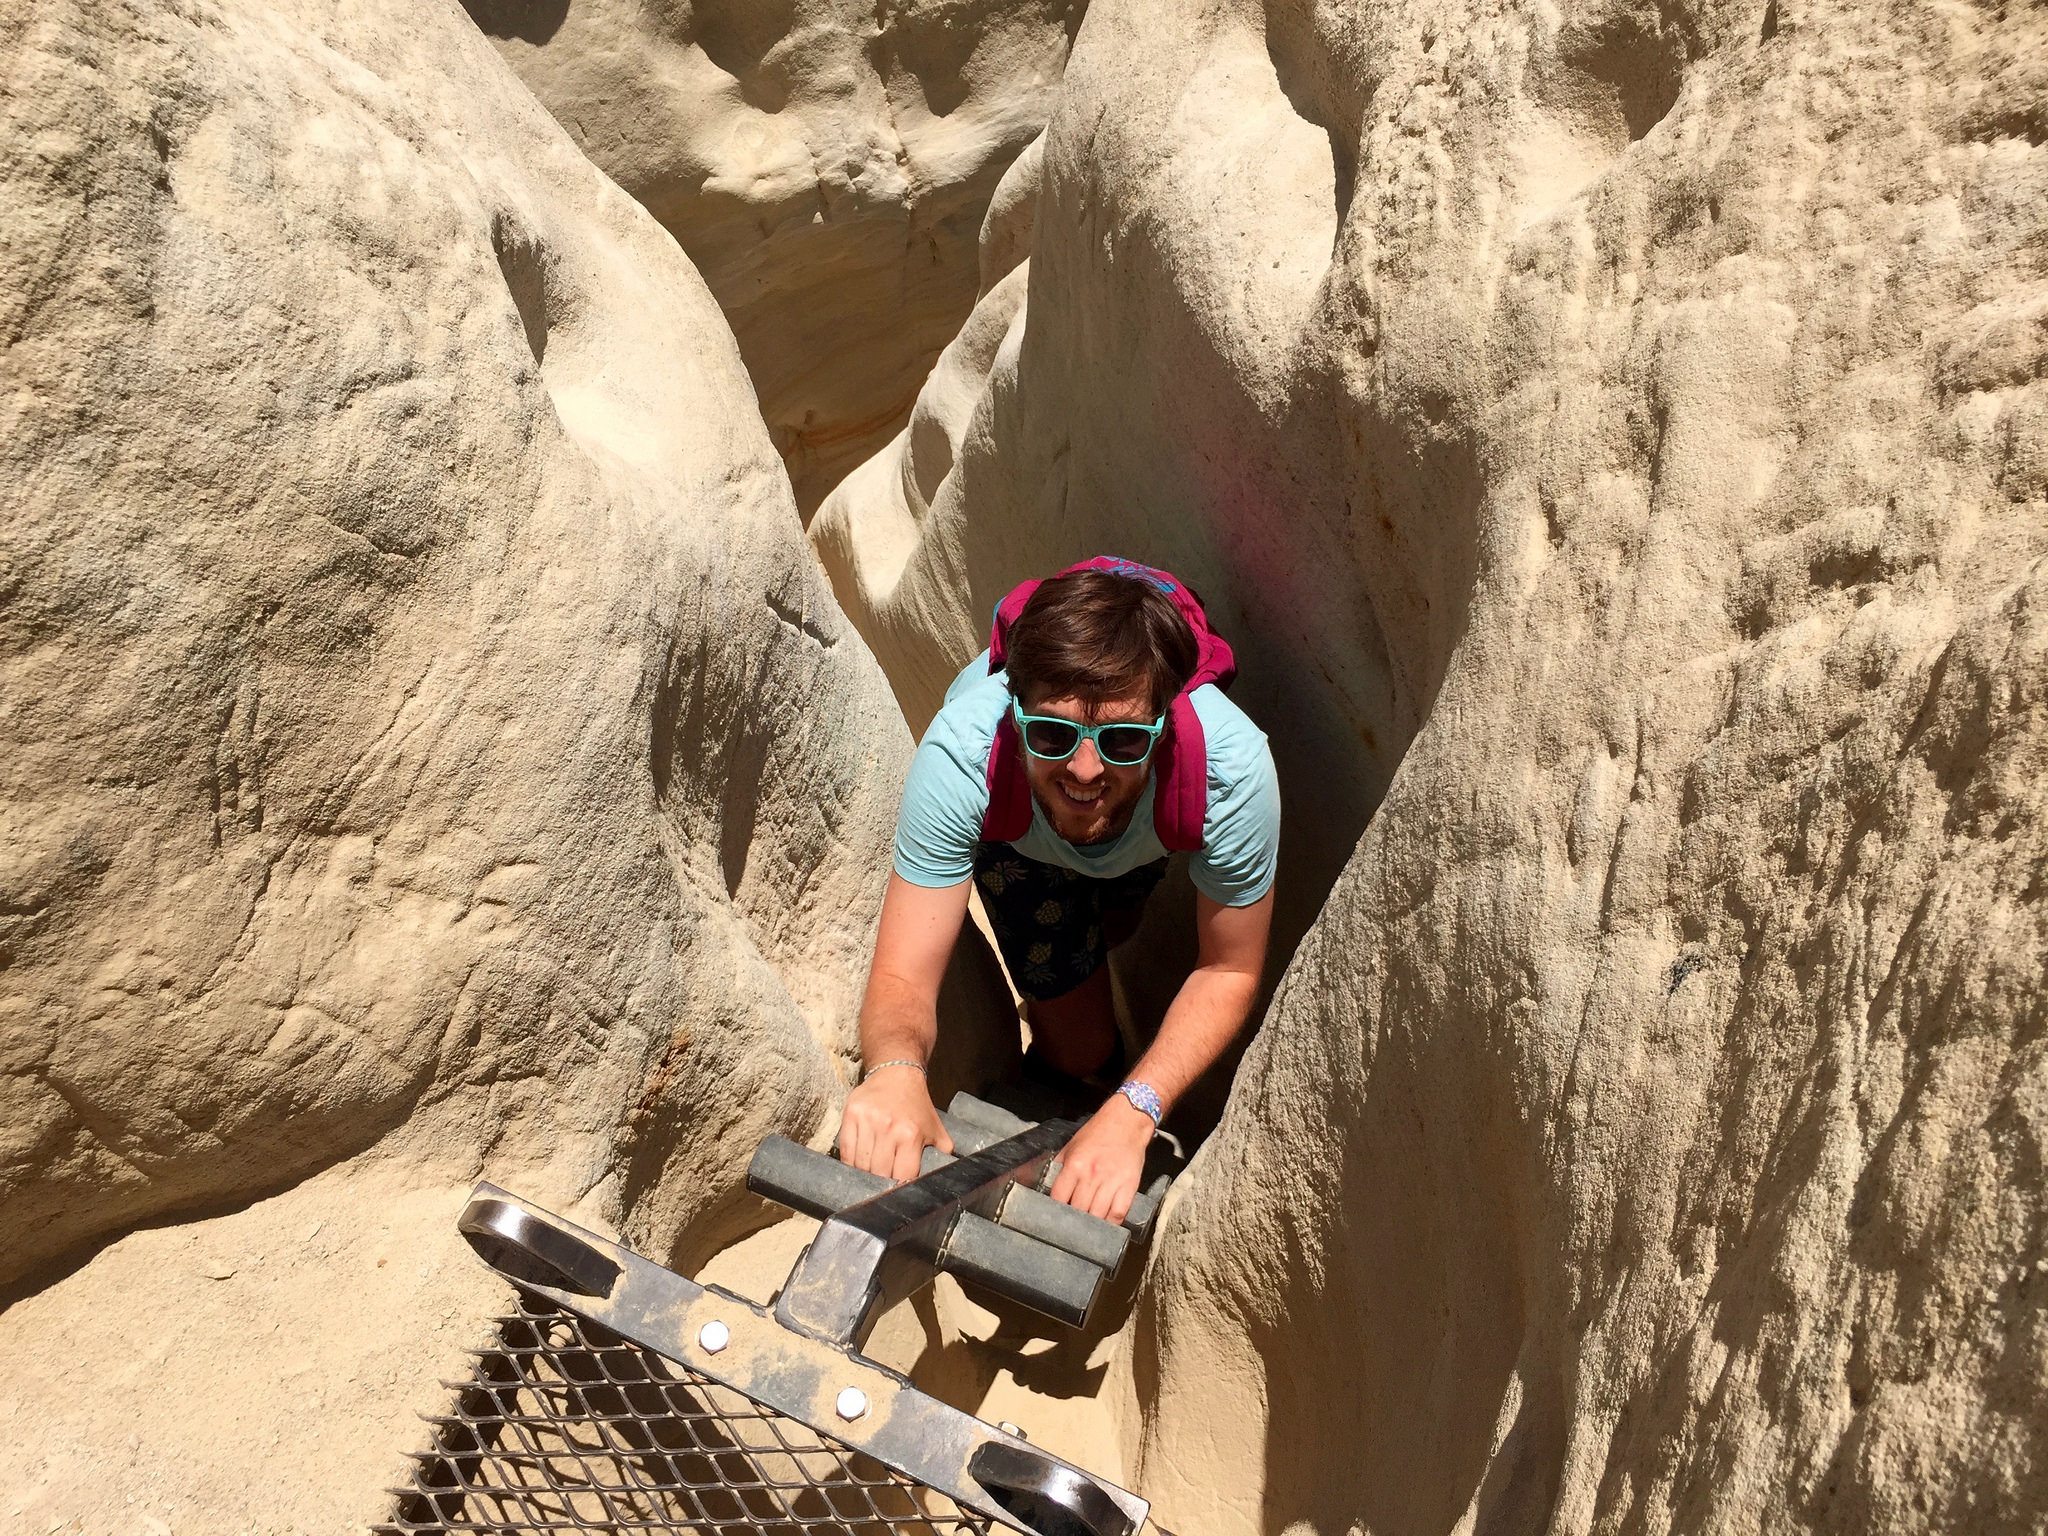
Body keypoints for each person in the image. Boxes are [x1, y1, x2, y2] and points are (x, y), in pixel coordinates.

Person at [836, 557, 1280, 1223]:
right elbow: (902, 972)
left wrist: (1135, 1113)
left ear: (1165, 722)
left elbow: (1228, 968)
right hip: (1021, 848)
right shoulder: (964, 752)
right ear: (1014, 711)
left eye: (1124, 739)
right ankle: (1070, 1059)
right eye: (1052, 733)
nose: (1084, 768)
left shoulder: (1228, 769)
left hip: (1141, 840)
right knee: (1082, 1050)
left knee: (1113, 935)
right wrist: (894, 1072)